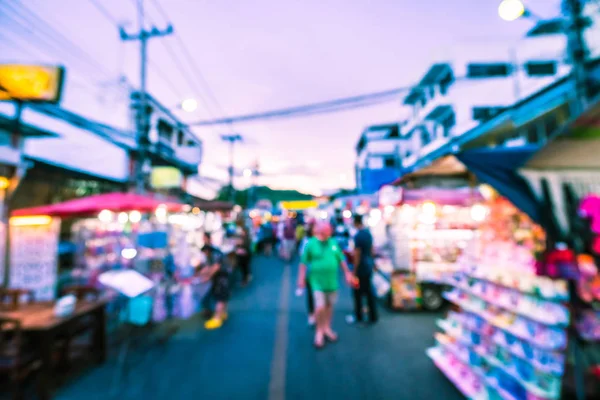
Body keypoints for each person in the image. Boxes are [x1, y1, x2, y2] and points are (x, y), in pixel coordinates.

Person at [297, 222, 353, 349]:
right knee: (319, 307)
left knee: (329, 306)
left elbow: (341, 259)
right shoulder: (311, 243)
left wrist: (347, 273)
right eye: (324, 232)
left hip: (331, 282)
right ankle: (319, 331)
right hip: (316, 282)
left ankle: (326, 327)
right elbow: (303, 263)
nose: (326, 235)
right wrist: (301, 279)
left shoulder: (333, 243)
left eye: (328, 232)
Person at [198, 233, 230, 330]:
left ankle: (217, 318)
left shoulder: (215, 254)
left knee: (220, 298)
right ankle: (222, 314)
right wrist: (200, 274)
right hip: (222, 277)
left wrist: (206, 277)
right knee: (223, 297)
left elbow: (215, 267)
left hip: (222, 278)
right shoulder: (212, 253)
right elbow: (208, 267)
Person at [350, 214, 378, 324]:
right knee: (369, 291)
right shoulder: (368, 234)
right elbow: (372, 250)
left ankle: (359, 316)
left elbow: (357, 254)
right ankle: (373, 316)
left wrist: (354, 271)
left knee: (357, 292)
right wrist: (373, 263)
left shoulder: (358, 236)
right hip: (368, 266)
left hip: (361, 267)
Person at [298, 223, 315, 326]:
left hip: (322, 275)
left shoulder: (325, 242)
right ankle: (312, 314)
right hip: (311, 273)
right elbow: (303, 260)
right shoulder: (307, 242)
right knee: (311, 295)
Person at [235, 219, 252, 286]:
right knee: (245, 268)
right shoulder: (244, 237)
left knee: (244, 268)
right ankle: (247, 277)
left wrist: (239, 250)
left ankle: (245, 280)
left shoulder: (246, 239)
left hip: (245, 256)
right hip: (245, 256)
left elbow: (246, 249)